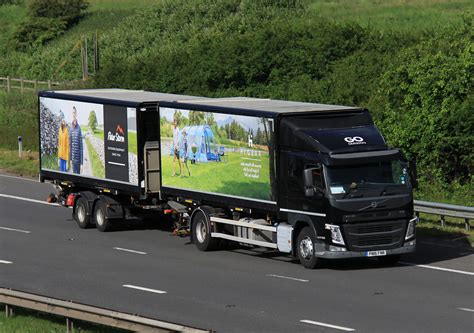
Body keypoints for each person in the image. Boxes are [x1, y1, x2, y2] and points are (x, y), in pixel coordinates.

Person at [69, 106, 83, 174]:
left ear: (76, 114)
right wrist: (70, 159)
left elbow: (81, 147)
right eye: (72, 112)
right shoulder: (70, 129)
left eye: (74, 112)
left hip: (78, 161)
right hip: (73, 160)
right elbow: (70, 146)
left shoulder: (79, 128)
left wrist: (82, 163)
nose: (73, 114)